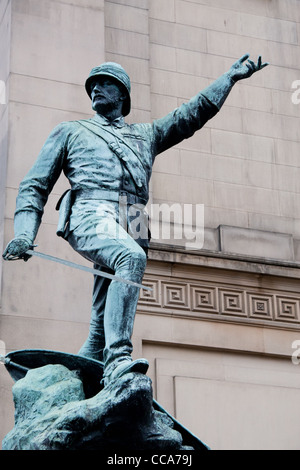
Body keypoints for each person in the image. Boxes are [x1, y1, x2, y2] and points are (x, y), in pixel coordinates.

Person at [2, 54, 268, 386]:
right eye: (92, 85)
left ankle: (68, 381)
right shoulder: (70, 132)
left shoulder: (147, 134)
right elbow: (34, 185)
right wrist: (24, 233)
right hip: (90, 212)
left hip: (132, 221)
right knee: (130, 257)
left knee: (100, 322)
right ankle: (118, 360)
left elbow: (192, 114)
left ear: (123, 94)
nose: (95, 88)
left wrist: (228, 79)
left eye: (104, 83)